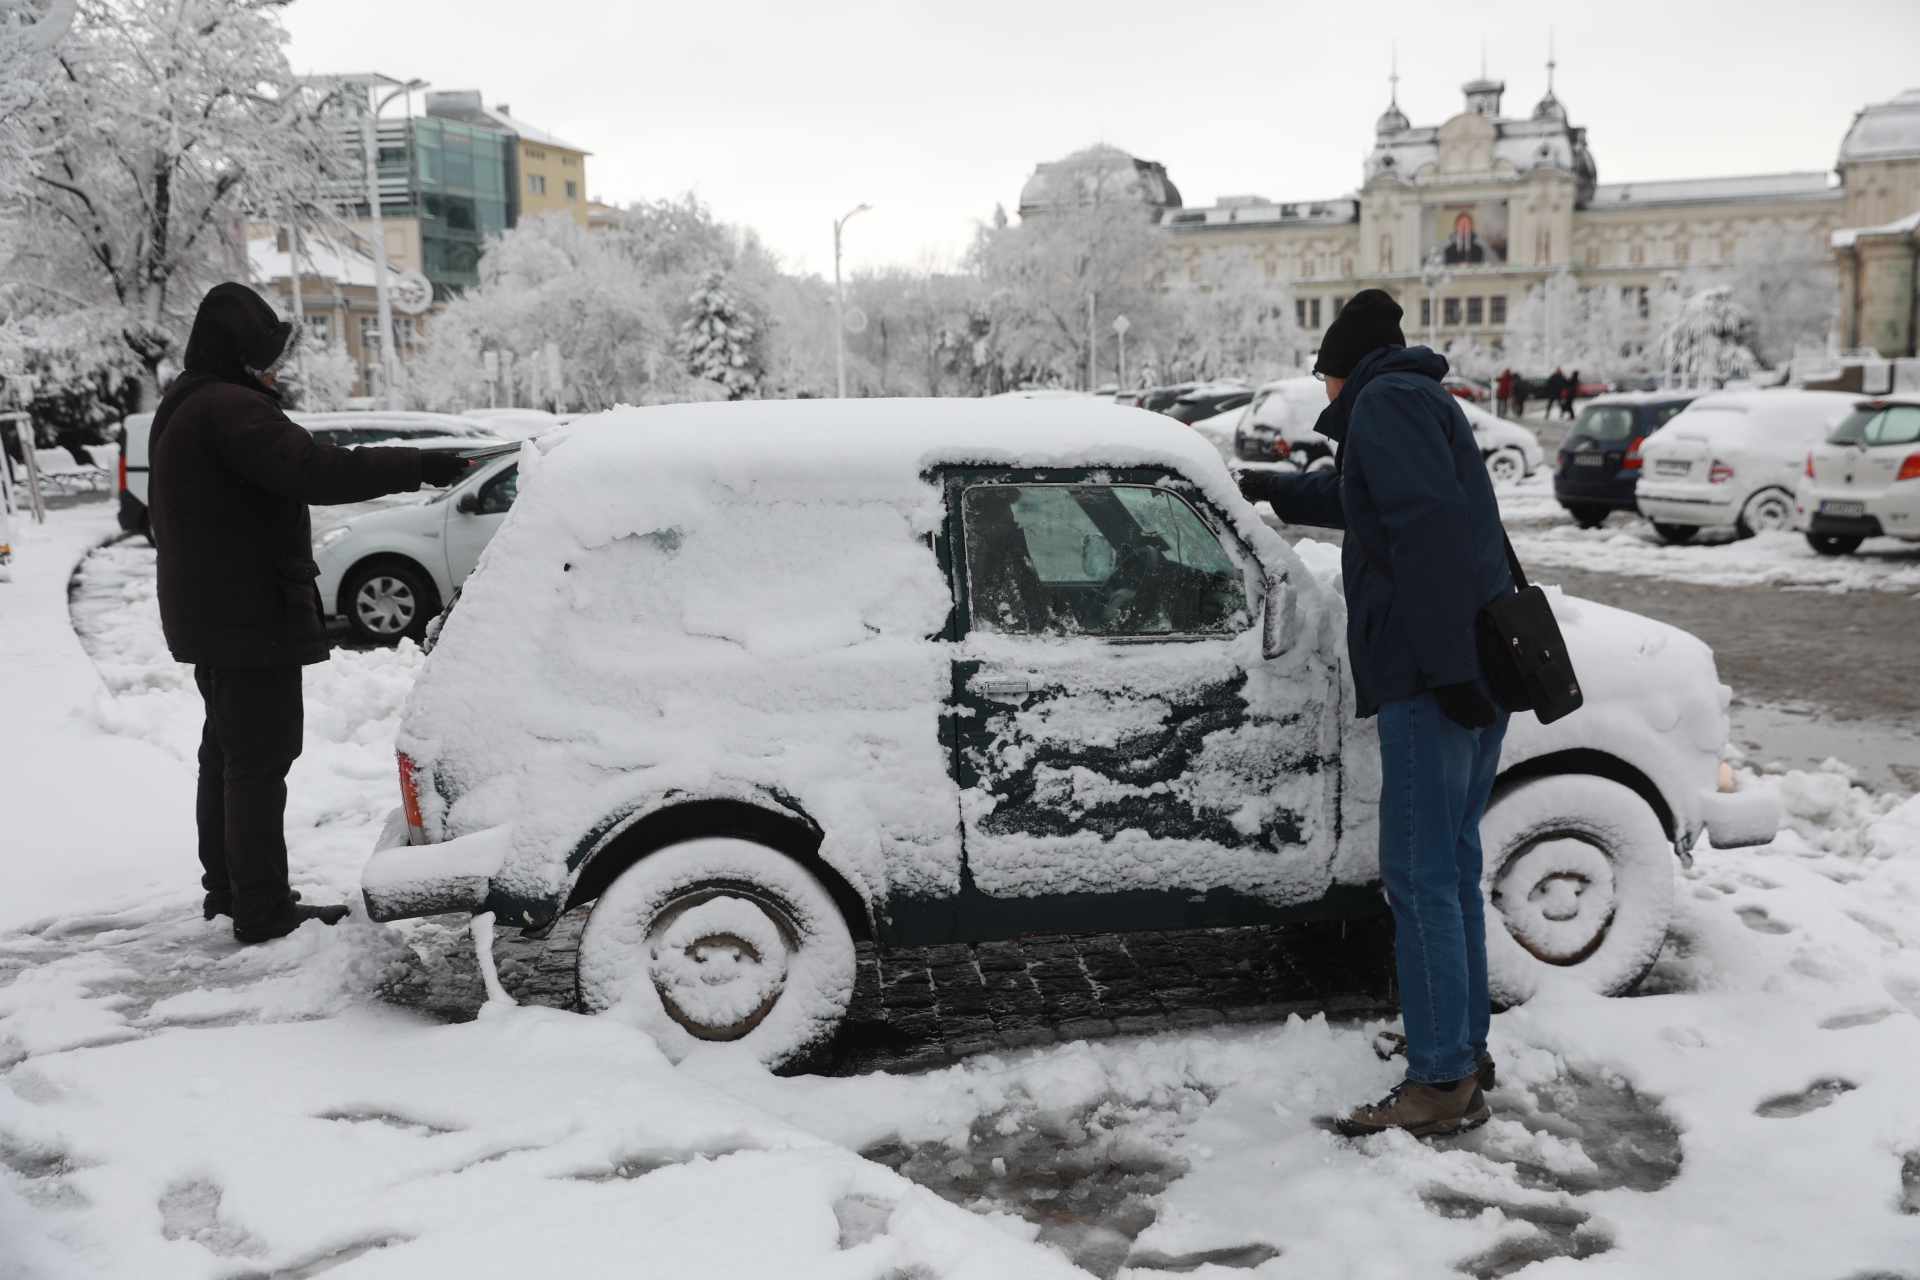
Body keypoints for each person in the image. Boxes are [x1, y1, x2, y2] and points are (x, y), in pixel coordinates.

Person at [1236, 289, 1513, 1138]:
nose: (1323, 399)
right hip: (1468, 671)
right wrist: (1268, 487)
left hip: (1436, 678)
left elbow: (1425, 532)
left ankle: (1439, 1084)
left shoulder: (1384, 403)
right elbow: (1375, 505)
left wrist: (1446, 668)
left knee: (1420, 875)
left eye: (1323, 381)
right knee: (1451, 866)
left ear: (1337, 371)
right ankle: (1459, 1048)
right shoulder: (1415, 398)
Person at [148, 283, 471, 944]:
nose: (273, 368)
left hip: (216, 614)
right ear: (238, 351)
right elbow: (318, 470)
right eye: (264, 354)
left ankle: (231, 890)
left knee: (231, 756)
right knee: (259, 760)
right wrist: (423, 463)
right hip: (247, 615)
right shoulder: (229, 408)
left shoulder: (187, 402)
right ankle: (261, 909)